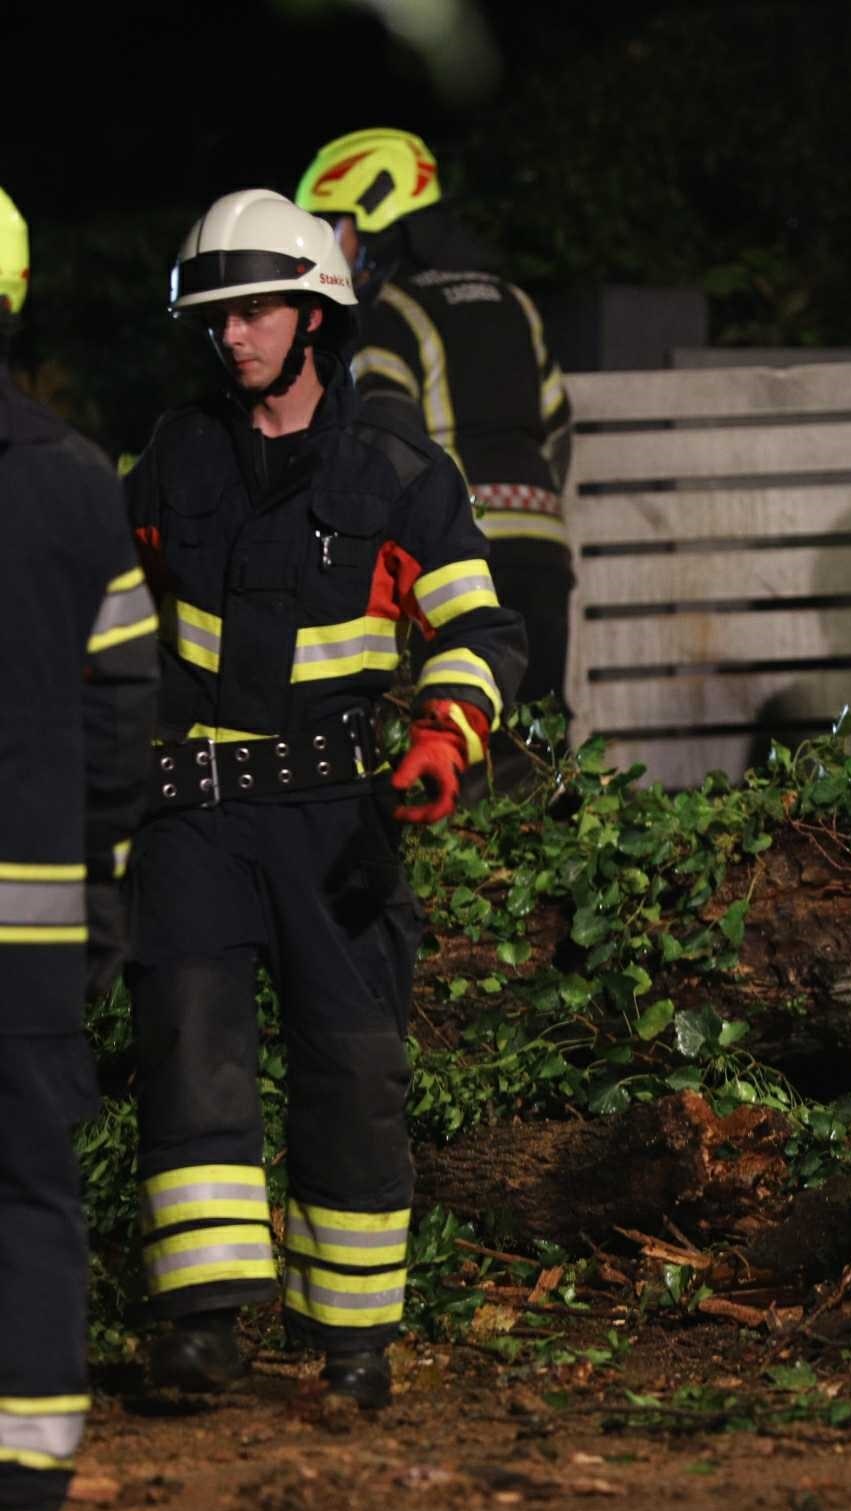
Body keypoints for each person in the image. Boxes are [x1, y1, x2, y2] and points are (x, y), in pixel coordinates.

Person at [125, 190, 526, 1411]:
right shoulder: (171, 460)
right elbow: (106, 623)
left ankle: (352, 1341)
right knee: (190, 1053)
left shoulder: (400, 475)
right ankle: (200, 1327)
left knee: (351, 1069)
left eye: (255, 312)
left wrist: (444, 738)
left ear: (315, 316)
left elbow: (480, 628)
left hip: (339, 821)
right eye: (218, 316)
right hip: (193, 813)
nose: (233, 336)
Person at [0, 184, 159, 1511]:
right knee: (32, 1185)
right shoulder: (75, 481)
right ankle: (29, 1471)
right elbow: (124, 711)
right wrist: (99, 873)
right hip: (35, 925)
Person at [295, 128, 574, 776]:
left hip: (457, 553)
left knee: (454, 738)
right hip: (543, 549)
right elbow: (558, 428)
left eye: (335, 228)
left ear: (377, 223)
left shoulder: (386, 312)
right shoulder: (516, 301)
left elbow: (385, 438)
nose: (332, 249)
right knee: (537, 739)